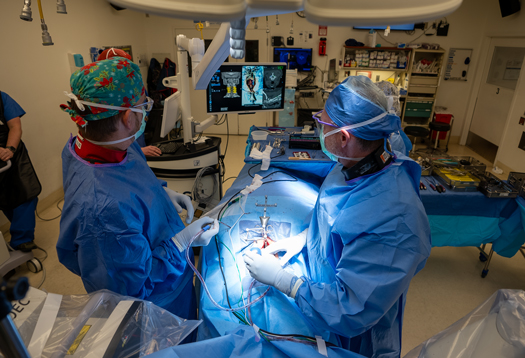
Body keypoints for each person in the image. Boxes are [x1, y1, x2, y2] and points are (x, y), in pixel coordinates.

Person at [244, 76, 431, 358]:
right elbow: (336, 220)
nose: (319, 128)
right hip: (322, 292)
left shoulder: (392, 221)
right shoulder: (355, 163)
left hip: (352, 335)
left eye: (324, 125)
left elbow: (352, 309)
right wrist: (304, 239)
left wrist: (287, 282)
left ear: (344, 137)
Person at [56, 57, 219, 323]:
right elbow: (131, 289)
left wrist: (162, 192)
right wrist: (180, 243)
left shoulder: (106, 143)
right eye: (143, 105)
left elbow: (134, 176)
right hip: (157, 308)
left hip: (169, 270)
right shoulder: (104, 212)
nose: (145, 112)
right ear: (128, 116)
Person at [97, 48, 162, 157]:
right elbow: (109, 143)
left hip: (135, 141)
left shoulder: (135, 86)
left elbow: (144, 109)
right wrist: (137, 151)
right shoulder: (102, 98)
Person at [0, 92, 41, 252]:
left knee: (26, 193)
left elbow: (15, 126)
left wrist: (10, 149)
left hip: (12, 153)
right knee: (3, 198)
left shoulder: (2, 98)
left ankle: (22, 239)